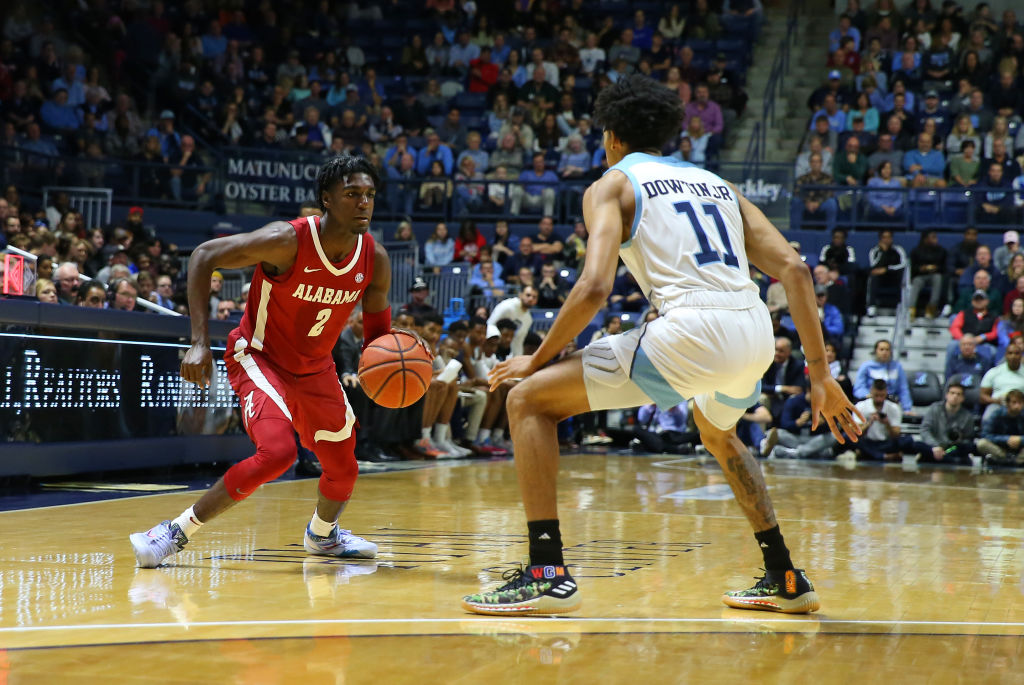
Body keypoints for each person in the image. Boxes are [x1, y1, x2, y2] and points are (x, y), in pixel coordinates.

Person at [461, 75, 861, 617]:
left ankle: (546, 570)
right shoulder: (718, 183)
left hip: (692, 328)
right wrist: (820, 373)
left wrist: (536, 357)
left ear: (610, 137)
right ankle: (784, 574)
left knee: (527, 400)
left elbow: (594, 287)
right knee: (718, 433)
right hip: (754, 331)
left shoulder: (612, 185)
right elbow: (792, 267)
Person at [129, 155, 415, 568]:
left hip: (316, 367)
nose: (364, 203)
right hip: (259, 356)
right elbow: (204, 255)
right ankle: (172, 533)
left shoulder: (376, 258)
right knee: (278, 452)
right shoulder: (287, 239)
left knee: (344, 465)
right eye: (352, 194)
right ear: (327, 200)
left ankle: (323, 536)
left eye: (369, 195)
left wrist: (395, 366)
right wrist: (197, 342)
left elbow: (377, 341)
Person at [919, 381, 976, 464]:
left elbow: (968, 439)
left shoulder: (967, 416)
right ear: (946, 395)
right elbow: (925, 430)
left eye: (958, 394)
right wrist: (935, 446)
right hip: (934, 447)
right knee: (917, 445)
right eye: (952, 393)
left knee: (968, 447)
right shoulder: (934, 409)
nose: (955, 396)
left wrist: (955, 444)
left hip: (952, 449)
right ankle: (943, 458)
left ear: (962, 398)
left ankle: (943, 457)